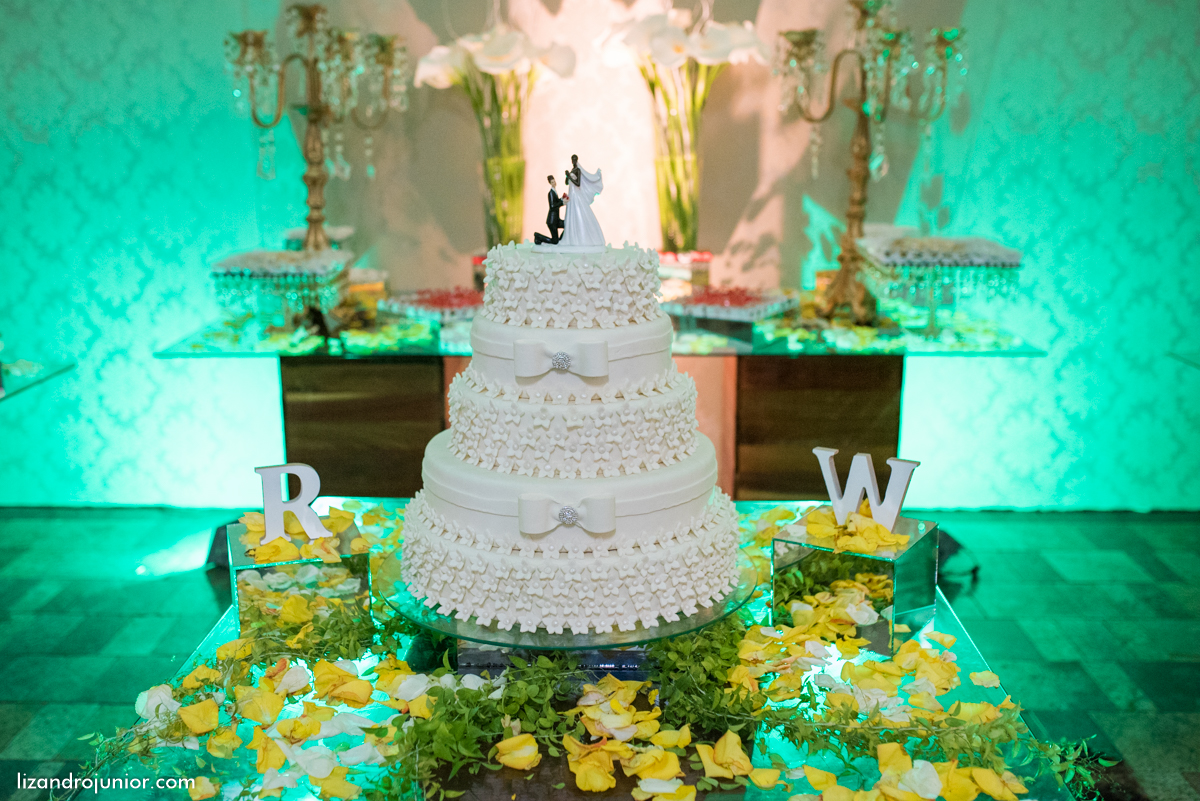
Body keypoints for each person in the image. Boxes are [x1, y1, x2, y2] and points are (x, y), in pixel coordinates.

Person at [556, 154, 604, 248]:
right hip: (571, 194)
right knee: (571, 215)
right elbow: (567, 183)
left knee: (578, 213)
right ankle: (571, 237)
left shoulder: (578, 170)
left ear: (577, 160)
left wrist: (569, 176)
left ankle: (581, 237)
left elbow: (577, 183)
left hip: (575, 195)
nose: (573, 161)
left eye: (574, 159)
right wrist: (567, 176)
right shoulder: (572, 170)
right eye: (572, 160)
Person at [533, 174, 564, 245]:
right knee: (555, 241)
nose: (554, 183)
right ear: (550, 183)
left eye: (554, 181)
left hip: (556, 219)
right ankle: (538, 237)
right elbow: (552, 206)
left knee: (567, 224)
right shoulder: (550, 193)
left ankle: (562, 240)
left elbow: (556, 202)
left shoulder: (554, 192)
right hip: (552, 221)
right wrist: (562, 202)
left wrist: (561, 199)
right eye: (552, 182)